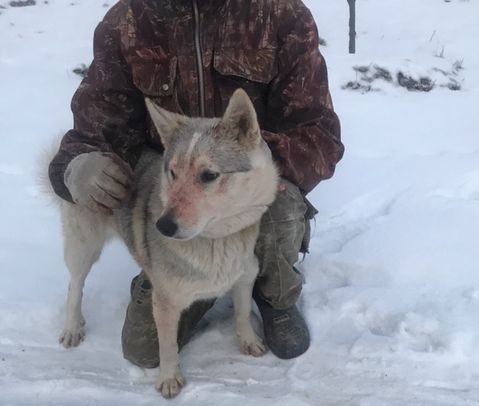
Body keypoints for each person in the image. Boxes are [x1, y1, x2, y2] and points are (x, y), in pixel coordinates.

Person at [49, 0, 344, 365]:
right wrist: (76, 166)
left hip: (247, 179)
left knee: (279, 204)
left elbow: (320, 134)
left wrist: (270, 154)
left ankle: (274, 293)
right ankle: (168, 275)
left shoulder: (280, 14)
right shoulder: (129, 20)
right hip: (170, 183)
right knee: (144, 350)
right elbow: (98, 124)